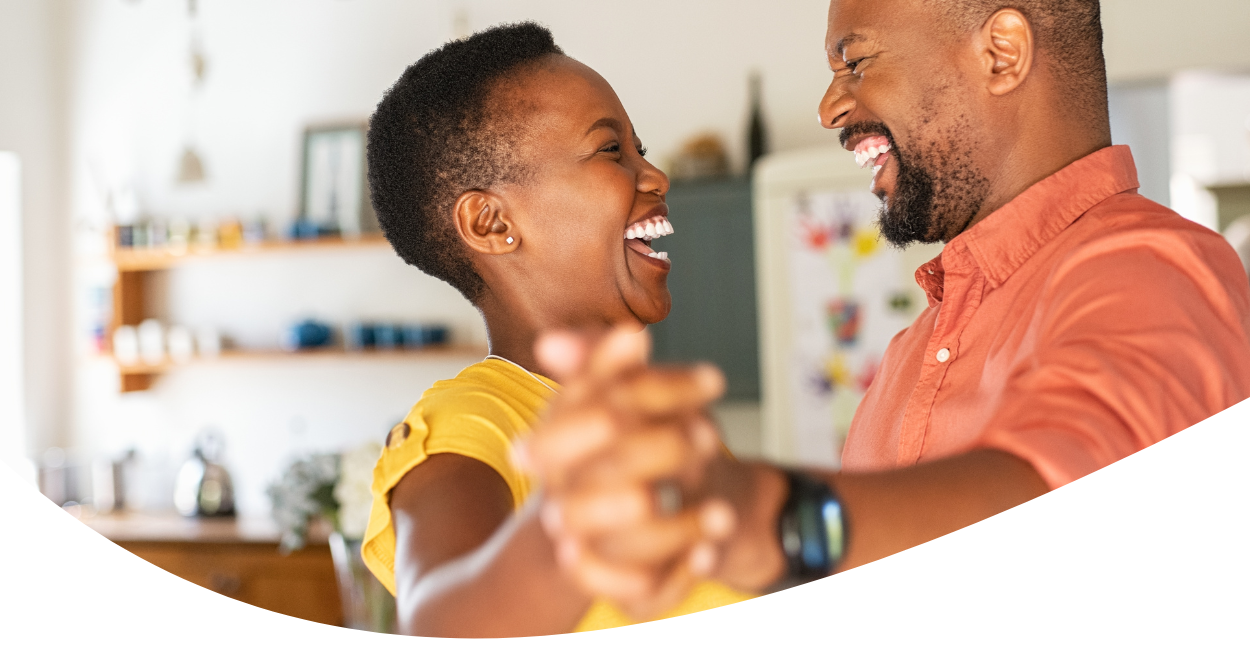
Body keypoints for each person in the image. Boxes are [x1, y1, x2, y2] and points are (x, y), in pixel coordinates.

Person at [518, 0, 1250, 618]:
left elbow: (1056, 500)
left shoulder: (1151, 270)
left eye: (856, 62)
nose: (830, 104)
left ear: (1001, 53)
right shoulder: (911, 351)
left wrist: (751, 513)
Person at [359, 23, 750, 637]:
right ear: (491, 222)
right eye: (611, 151)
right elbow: (440, 620)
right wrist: (571, 528)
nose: (656, 177)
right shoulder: (470, 421)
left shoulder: (647, 423)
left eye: (639, 148)